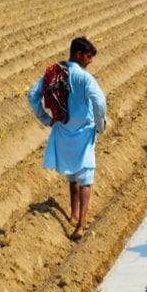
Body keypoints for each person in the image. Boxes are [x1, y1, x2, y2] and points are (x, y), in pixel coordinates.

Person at [28, 36, 107, 241]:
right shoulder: (84, 78)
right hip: (83, 132)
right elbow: (99, 101)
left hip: (63, 131)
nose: (91, 60)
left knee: (72, 174)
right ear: (78, 54)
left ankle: (73, 215)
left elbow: (32, 95)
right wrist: (100, 125)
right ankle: (81, 224)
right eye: (88, 56)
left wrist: (46, 119)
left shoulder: (55, 72)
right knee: (86, 177)